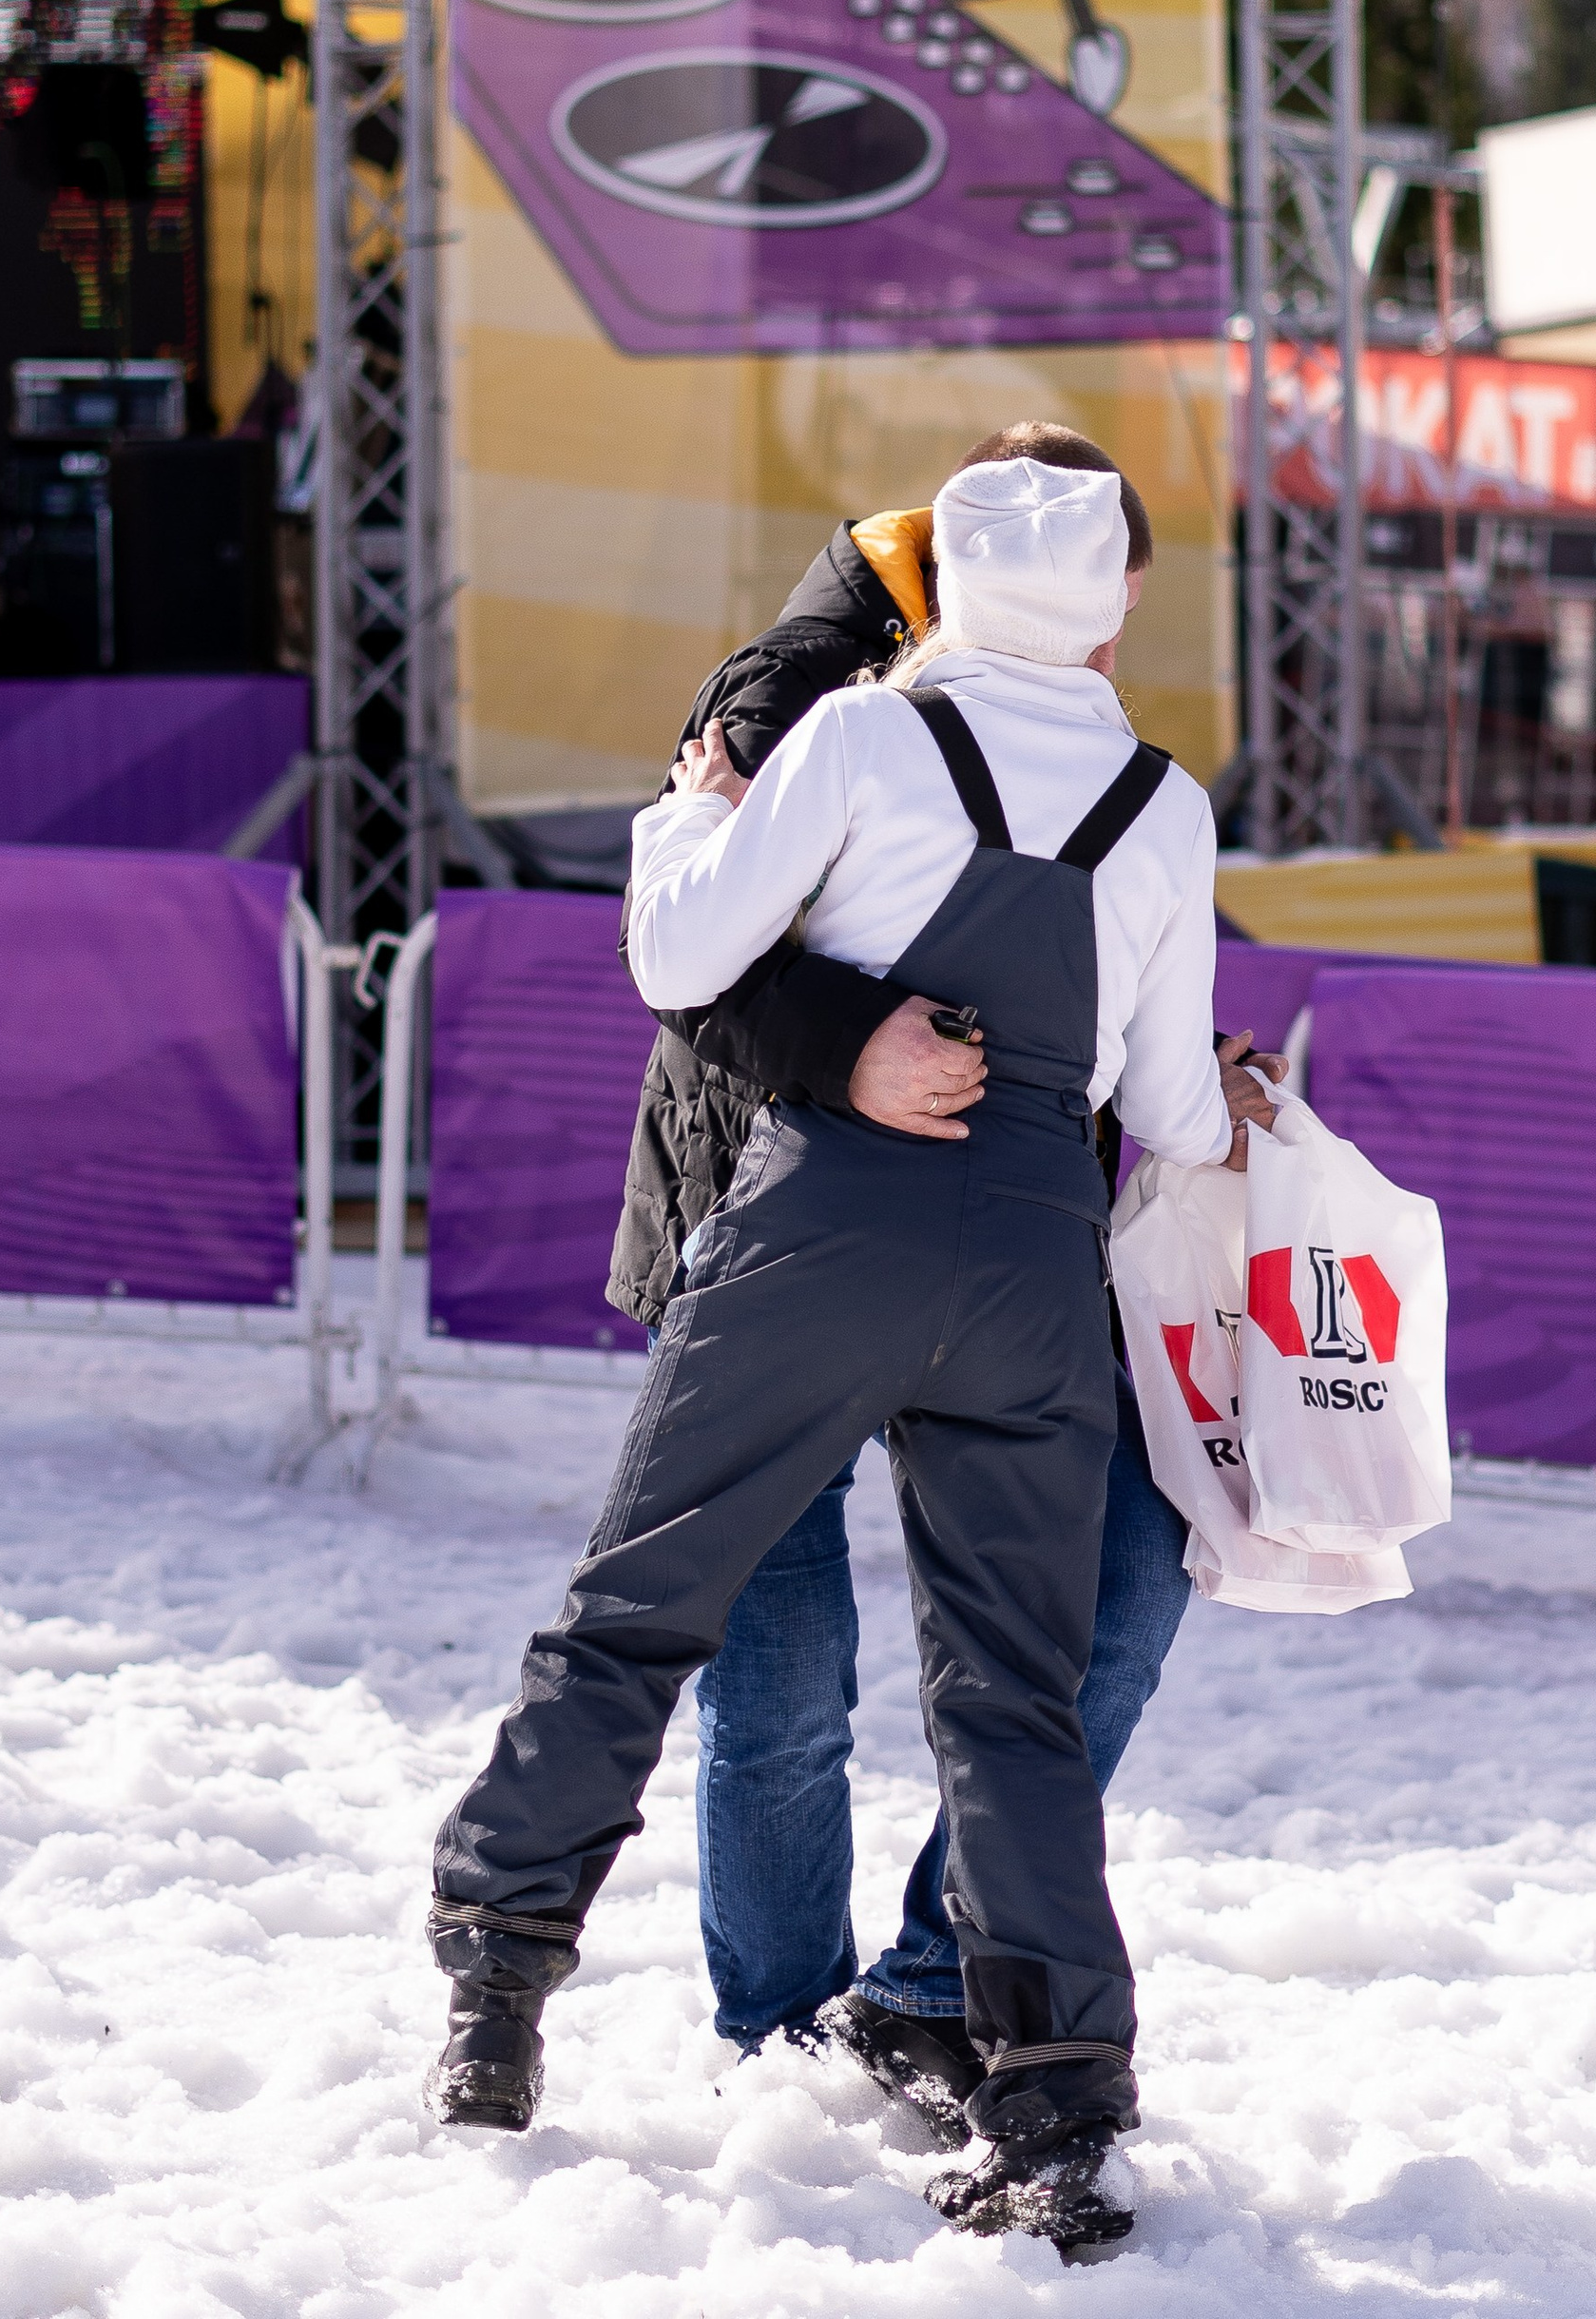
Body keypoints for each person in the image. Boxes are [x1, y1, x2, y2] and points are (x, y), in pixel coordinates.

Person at [427, 453, 1252, 2264]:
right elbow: (1178, 1114)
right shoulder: (1166, 803)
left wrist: (681, 813)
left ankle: (496, 1987)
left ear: (942, 587)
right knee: (1013, 1695)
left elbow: (676, 951)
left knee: (641, 1613)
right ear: (1116, 610)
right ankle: (1055, 2106)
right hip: (1036, 1254)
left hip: (828, 1231)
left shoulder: (866, 741)